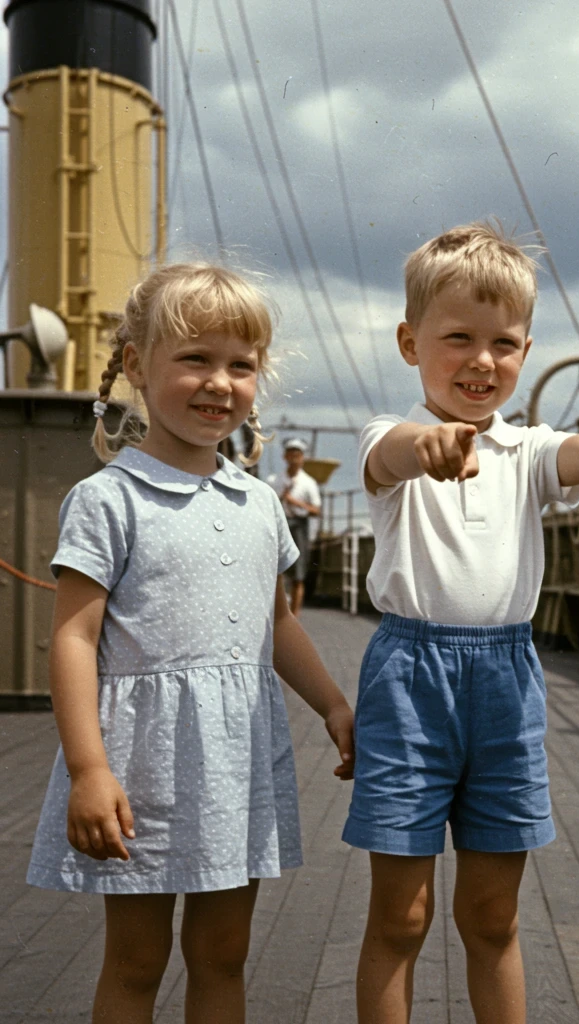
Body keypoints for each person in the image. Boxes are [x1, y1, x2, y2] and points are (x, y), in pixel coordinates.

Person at [346, 220, 579, 1023]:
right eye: (458, 339)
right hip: (410, 678)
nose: (482, 361)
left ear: (525, 350)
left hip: (504, 680)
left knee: (492, 915)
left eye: (505, 343)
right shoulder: (391, 438)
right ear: (410, 342)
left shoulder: (527, 452)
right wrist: (434, 445)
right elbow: (395, 455)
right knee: (401, 917)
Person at [26, 263, 355, 1024]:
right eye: (194, 359)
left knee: (223, 954)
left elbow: (277, 624)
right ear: (138, 365)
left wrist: (334, 705)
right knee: (137, 961)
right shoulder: (109, 499)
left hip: (235, 764)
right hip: (140, 765)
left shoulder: (258, 501)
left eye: (241, 365)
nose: (220, 382)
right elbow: (74, 638)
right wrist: (87, 769)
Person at [268, 438, 321, 616]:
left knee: (299, 574)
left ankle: (294, 618)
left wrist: (295, 502)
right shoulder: (274, 480)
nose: (293, 458)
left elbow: (316, 510)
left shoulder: (308, 483)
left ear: (302, 458)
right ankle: (276, 614)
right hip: (279, 524)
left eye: (297, 455)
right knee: (275, 572)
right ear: (284, 456)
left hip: (299, 527)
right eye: (290, 454)